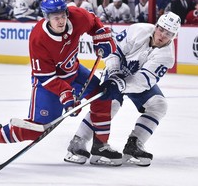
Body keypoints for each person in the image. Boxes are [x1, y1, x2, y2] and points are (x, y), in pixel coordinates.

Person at [0, 0, 122, 166]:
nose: (61, 20)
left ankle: (100, 146)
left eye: (63, 15)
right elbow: (46, 77)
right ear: (47, 18)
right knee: (38, 129)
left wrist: (102, 36)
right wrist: (66, 95)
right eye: (56, 18)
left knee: (103, 96)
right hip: (49, 83)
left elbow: (94, 22)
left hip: (75, 71)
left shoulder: (77, 16)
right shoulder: (38, 38)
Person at [64, 11, 181, 167]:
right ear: (156, 26)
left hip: (135, 81)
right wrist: (113, 72)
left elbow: (143, 80)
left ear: (174, 36)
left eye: (168, 33)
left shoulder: (167, 56)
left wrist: (121, 85)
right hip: (116, 71)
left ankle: (134, 144)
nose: (162, 35)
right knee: (109, 104)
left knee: (159, 105)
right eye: (161, 29)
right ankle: (78, 141)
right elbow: (114, 50)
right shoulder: (138, 29)